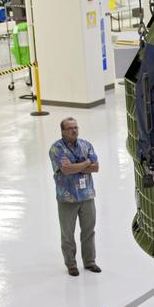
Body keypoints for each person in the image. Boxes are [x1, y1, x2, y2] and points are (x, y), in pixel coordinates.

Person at [49, 116, 100, 275]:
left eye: (76, 127)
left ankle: (90, 262)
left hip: (87, 196)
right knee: (67, 234)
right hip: (67, 198)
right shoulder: (56, 149)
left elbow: (96, 167)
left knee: (89, 230)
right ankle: (71, 264)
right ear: (63, 131)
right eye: (70, 128)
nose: (74, 130)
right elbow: (65, 170)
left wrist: (75, 166)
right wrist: (85, 164)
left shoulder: (86, 145)